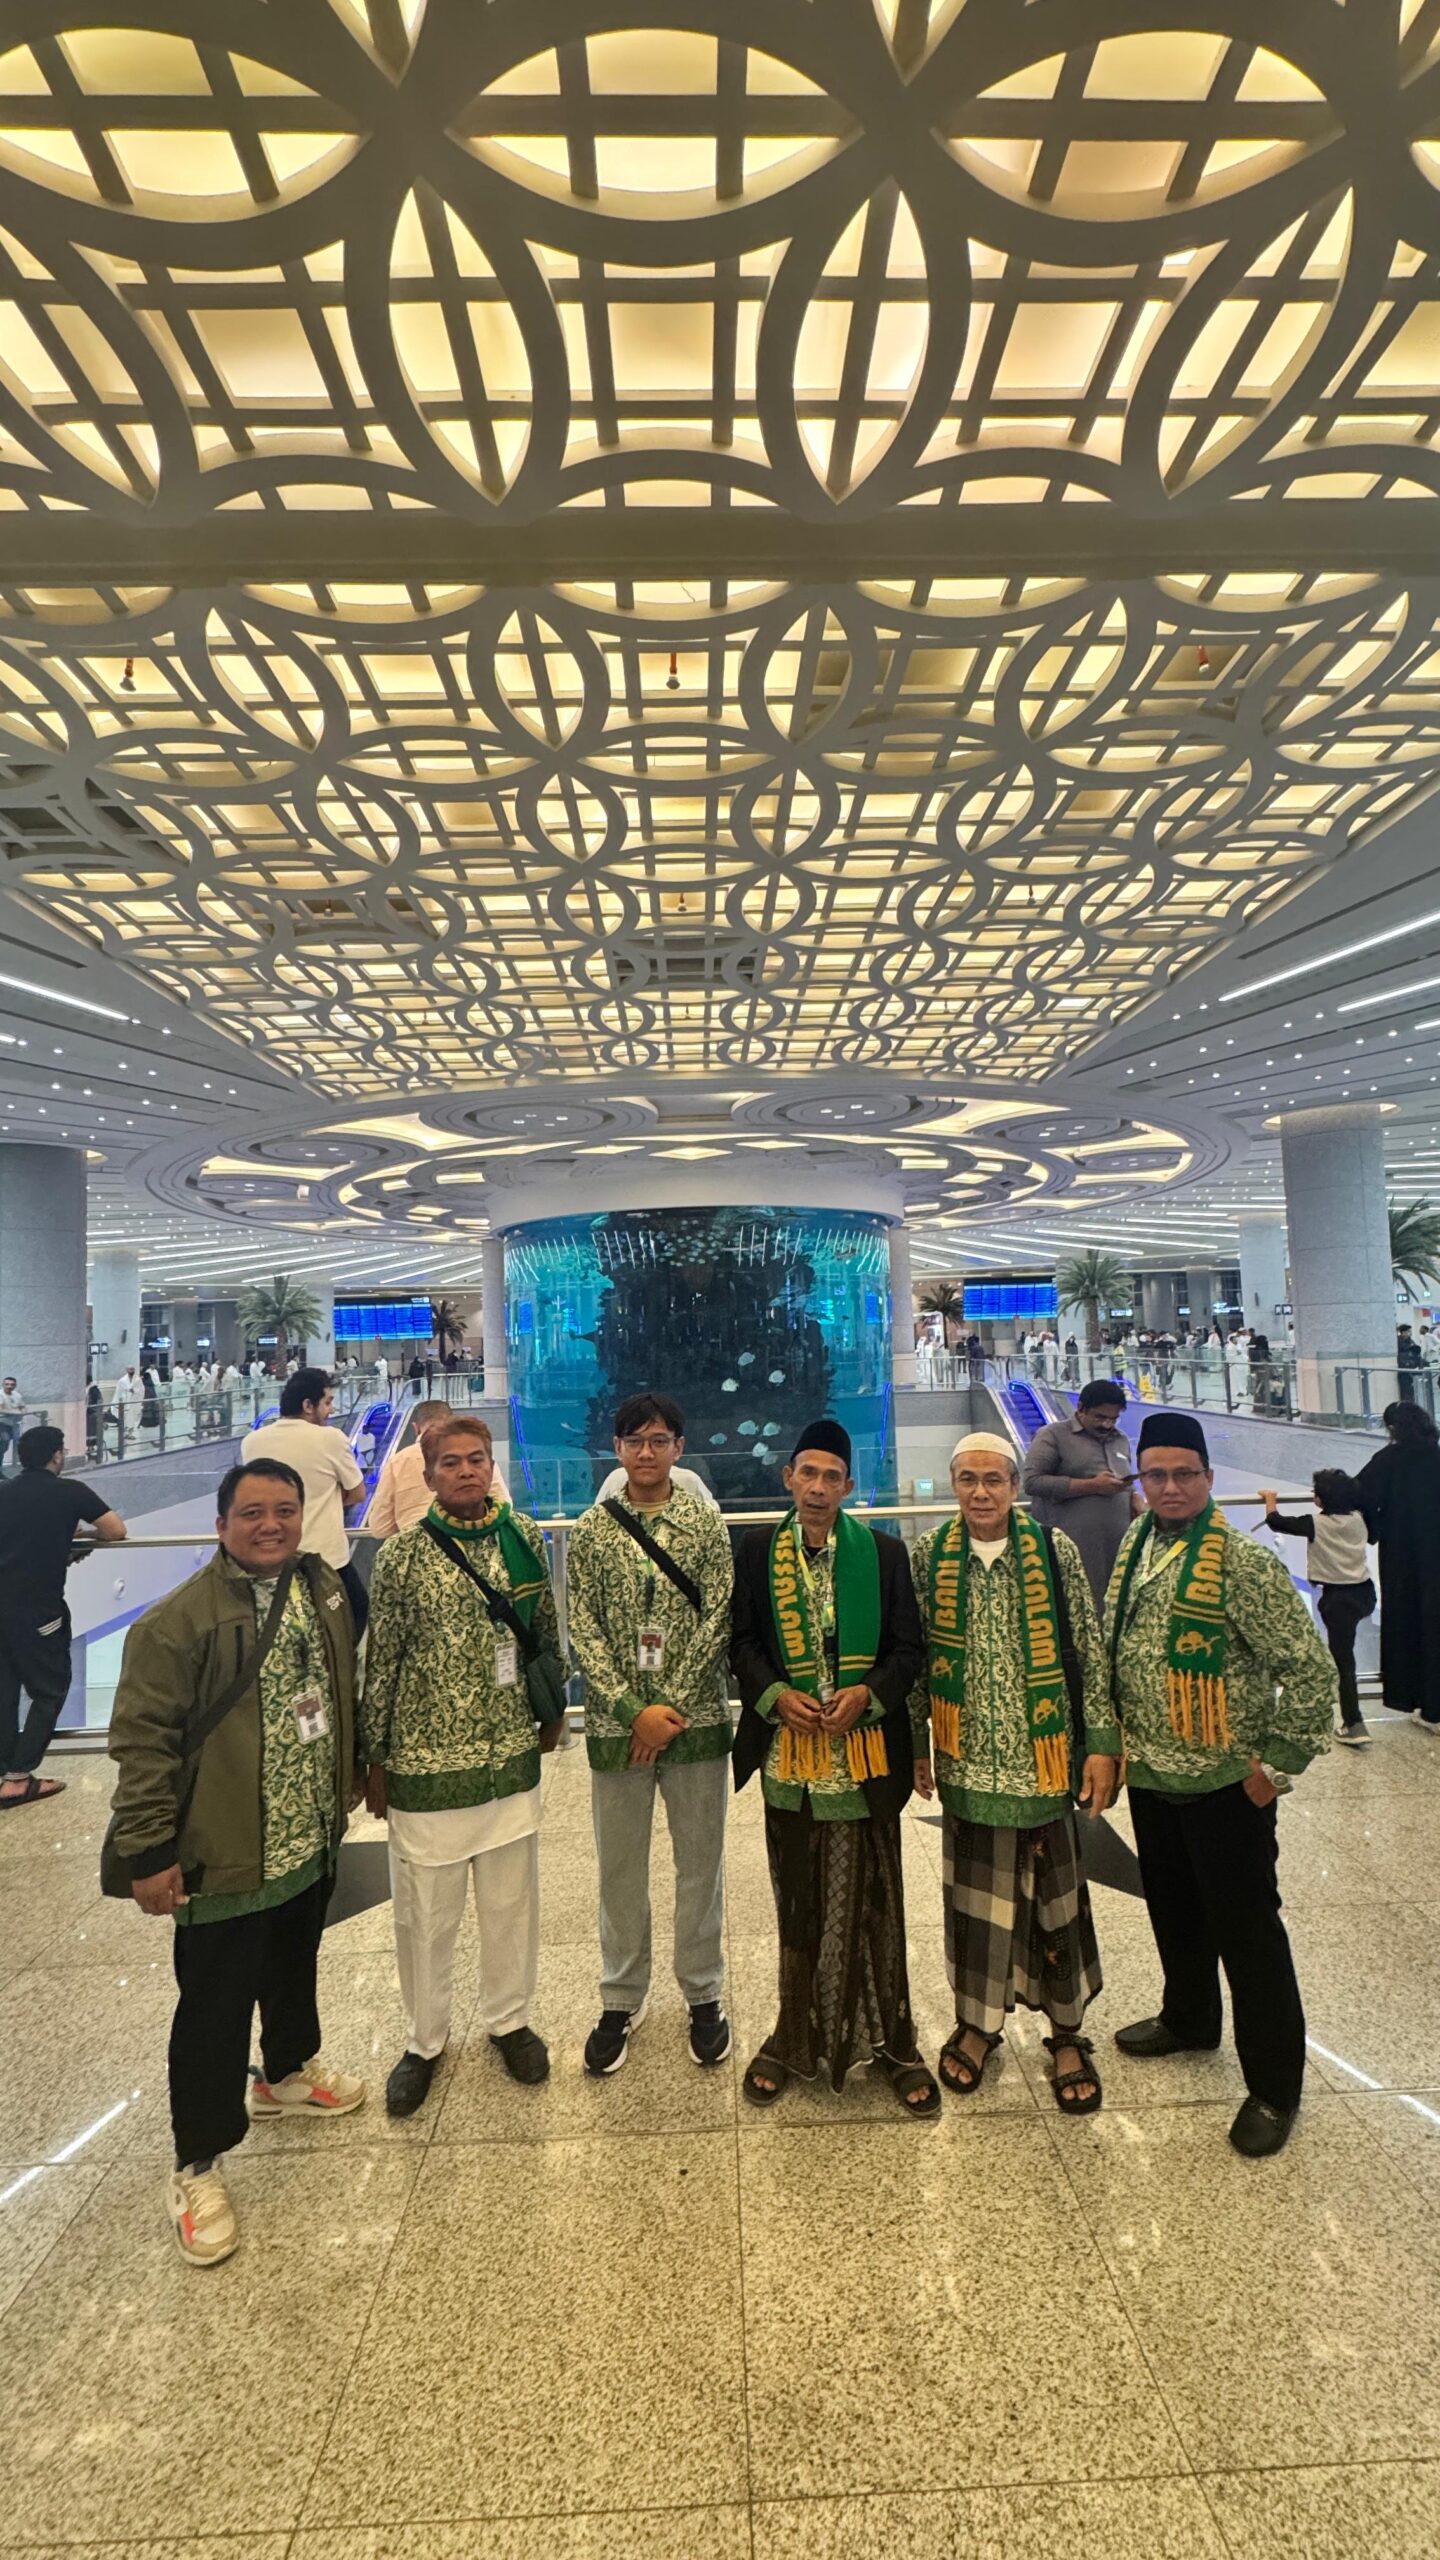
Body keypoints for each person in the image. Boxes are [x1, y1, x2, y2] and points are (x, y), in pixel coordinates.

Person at [107, 1456, 365, 2265]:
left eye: (284, 1510)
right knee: (214, 2006)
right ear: (221, 1525)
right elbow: (142, 1744)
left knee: (294, 1961)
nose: (270, 1526)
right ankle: (198, 2162)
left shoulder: (320, 1587)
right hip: (222, 1846)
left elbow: (341, 1689)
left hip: (305, 1832)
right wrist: (150, 1851)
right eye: (252, 1513)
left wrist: (351, 1775)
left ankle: (286, 2072)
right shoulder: (177, 1622)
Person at [1107, 1413, 1336, 2156]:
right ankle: (1190, 2018)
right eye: (1156, 1474)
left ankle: (1274, 2087)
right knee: (1175, 1910)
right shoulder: (1137, 1545)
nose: (1170, 1487)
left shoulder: (1243, 1564)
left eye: (1184, 1474)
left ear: (1207, 1478)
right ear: (1142, 1481)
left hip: (1227, 1785)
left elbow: (1311, 1671)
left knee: (1248, 1935)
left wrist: (1276, 1768)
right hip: (1152, 1773)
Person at [731, 1419, 936, 2114]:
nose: (818, 1488)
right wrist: (773, 1696)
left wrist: (868, 1696)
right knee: (798, 1904)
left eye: (832, 1477)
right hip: (790, 1764)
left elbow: (908, 1651)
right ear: (788, 1478)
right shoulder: (757, 1552)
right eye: (807, 1474)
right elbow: (742, 1643)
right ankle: (794, 2037)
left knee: (876, 1907)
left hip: (863, 1761)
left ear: (848, 1487)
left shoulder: (882, 1555)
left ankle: (895, 2044)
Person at [911, 1433, 1120, 2114]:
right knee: (976, 1907)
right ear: (954, 1485)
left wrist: (1100, 1744)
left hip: (1045, 1760)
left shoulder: (1054, 1552)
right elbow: (917, 1661)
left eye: (993, 1480)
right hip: (969, 1761)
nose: (981, 1493)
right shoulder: (930, 1557)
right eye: (968, 1480)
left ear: (1014, 1486)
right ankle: (977, 2026)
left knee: (1056, 1905)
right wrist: (918, 1743)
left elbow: (1087, 1647)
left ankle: (1067, 2033)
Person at [362, 1415, 565, 2114]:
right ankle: (424, 2041)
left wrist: (553, 1708)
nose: (467, 1471)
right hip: (426, 1764)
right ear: (428, 1476)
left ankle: (509, 2021)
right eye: (451, 1462)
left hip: (507, 1754)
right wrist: (375, 1757)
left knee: (511, 1905)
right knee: (427, 1916)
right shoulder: (403, 1557)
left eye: (477, 1459)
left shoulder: (522, 1537)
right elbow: (382, 1660)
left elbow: (543, 1631)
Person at [567, 1391, 735, 2076]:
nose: (646, 1452)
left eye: (659, 1440)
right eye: (634, 1440)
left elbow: (719, 1617)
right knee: (620, 1868)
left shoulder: (705, 1525)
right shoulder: (592, 1531)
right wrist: (631, 1708)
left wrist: (667, 1709)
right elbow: (582, 1625)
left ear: (678, 1449)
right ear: (616, 1449)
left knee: (701, 1865)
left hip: (695, 1725)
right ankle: (621, 1997)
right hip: (618, 1729)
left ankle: (703, 1993)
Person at [0, 1426, 125, 1808]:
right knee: (50, 1689)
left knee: (4, 1692)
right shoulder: (70, 1492)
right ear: (57, 1455)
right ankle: (18, 1777)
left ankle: (5, 1772)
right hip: (40, 1611)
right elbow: (115, 1531)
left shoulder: (4, 1491)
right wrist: (77, 1538)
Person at [242, 1367, 368, 1633]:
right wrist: (327, 1494)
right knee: (351, 1618)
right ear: (308, 1405)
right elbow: (358, 1493)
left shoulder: (252, 1442)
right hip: (325, 1561)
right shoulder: (330, 1438)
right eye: (328, 1402)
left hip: (275, 1559)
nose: (331, 1410)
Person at [1259, 1474, 1376, 1747]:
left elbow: (1276, 1521)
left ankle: (1354, 1723)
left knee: (1343, 1663)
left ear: (1320, 1500)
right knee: (1345, 1654)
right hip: (1364, 1593)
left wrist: (1270, 1499)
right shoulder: (1359, 1518)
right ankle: (1348, 1717)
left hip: (1338, 1600)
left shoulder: (1316, 1523)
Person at [1354, 1401, 1440, 1732]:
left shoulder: (1390, 1459)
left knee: (1409, 1623)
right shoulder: (1435, 1455)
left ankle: (1417, 1699)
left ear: (1393, 1428)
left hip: (1404, 1558)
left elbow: (1358, 1492)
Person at [1022, 1380, 1139, 1606]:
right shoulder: (1052, 1435)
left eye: (1113, 1419)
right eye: (1100, 1417)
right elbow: (1032, 1482)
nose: (1107, 1424)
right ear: (1081, 1408)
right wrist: (1092, 1486)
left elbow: (1124, 1478)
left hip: (1117, 1551)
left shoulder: (1121, 1439)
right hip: (1071, 1552)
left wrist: (1134, 1496)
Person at [0, 1376, 23, 1471]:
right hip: (1, 1423)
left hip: (12, 1424)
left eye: (12, 1384)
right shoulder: (0, 1395)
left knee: (8, 1446)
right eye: (7, 1384)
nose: (9, 1386)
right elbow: (1, 1409)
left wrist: (20, 1412)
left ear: (15, 1385)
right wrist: (15, 1411)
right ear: (3, 1385)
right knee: (4, 1442)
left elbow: (22, 1408)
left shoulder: (17, 1395)